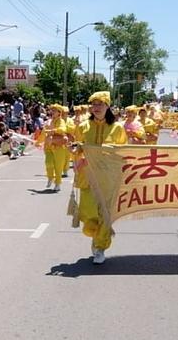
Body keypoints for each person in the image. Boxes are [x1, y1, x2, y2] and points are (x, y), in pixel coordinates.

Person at [72, 91, 127, 264]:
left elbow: (122, 151)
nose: (96, 108)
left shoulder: (117, 128)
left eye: (100, 104)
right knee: (89, 213)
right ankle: (97, 237)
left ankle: (100, 247)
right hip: (87, 175)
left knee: (105, 214)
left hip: (107, 176)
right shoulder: (83, 126)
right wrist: (76, 154)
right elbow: (77, 147)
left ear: (107, 106)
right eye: (93, 104)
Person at [42, 105, 69, 192]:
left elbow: (63, 129)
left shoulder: (61, 121)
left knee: (58, 166)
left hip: (59, 145)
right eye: (52, 110)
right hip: (49, 145)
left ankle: (57, 183)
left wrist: (53, 130)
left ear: (59, 113)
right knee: (48, 162)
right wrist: (39, 141)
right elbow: (44, 131)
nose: (52, 112)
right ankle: (50, 177)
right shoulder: (49, 121)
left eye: (55, 110)